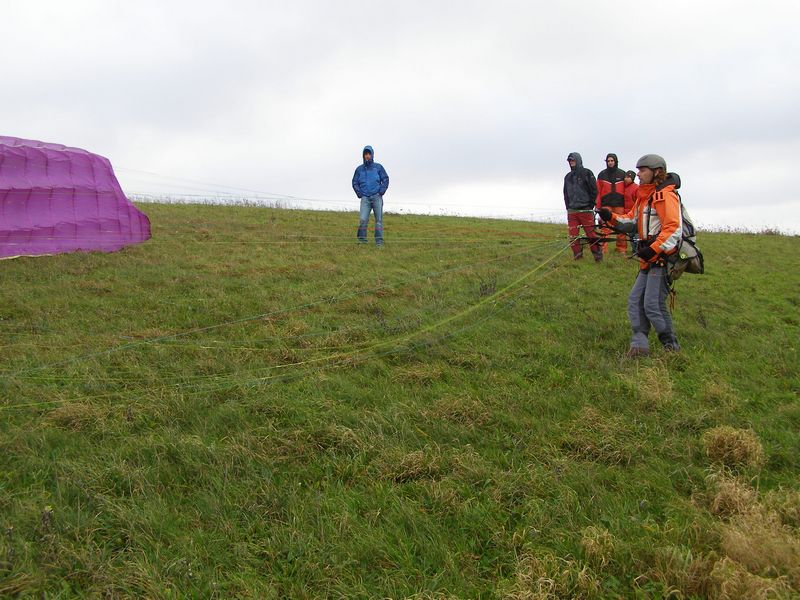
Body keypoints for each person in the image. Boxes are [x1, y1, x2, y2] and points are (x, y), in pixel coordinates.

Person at [598, 154, 682, 356]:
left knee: (652, 304)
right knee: (635, 300)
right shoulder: (644, 197)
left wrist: (654, 249)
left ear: (656, 172)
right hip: (648, 257)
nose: (638, 174)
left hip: (661, 258)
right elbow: (631, 221)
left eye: (643, 170)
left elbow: (673, 228)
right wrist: (611, 217)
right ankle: (639, 346)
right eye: (638, 169)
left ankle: (671, 347)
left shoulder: (665, 196)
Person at [563, 152, 602, 261]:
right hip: (572, 211)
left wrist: (590, 205)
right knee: (573, 236)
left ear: (578, 160)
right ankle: (577, 256)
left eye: (573, 160)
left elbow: (594, 190)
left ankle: (597, 256)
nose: (571, 163)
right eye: (570, 161)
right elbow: (565, 193)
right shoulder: (567, 177)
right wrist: (568, 207)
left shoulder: (587, 173)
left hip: (586, 210)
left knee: (591, 235)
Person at [352, 145, 389, 246]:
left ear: (372, 155)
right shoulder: (359, 169)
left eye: (369, 154)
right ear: (363, 156)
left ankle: (379, 243)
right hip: (365, 198)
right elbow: (354, 182)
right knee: (363, 220)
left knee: (379, 221)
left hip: (377, 197)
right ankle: (362, 241)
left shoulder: (378, 167)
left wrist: (381, 191)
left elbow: (385, 179)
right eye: (365, 154)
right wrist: (359, 193)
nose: (367, 156)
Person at [595, 153, 628, 254]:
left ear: (615, 161)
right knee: (605, 228)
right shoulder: (601, 175)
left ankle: (621, 249)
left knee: (621, 227)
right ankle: (603, 249)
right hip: (606, 205)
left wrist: (627, 207)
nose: (610, 163)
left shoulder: (623, 174)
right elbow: (598, 192)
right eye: (608, 161)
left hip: (620, 204)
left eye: (612, 161)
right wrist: (598, 206)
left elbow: (627, 191)